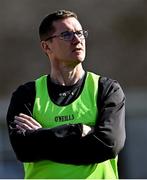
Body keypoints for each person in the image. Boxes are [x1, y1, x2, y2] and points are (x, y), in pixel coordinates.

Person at [7, 9, 126, 179]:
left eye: (80, 33)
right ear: (46, 46)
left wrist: (41, 136)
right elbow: (23, 150)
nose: (77, 40)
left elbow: (108, 145)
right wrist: (78, 130)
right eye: (66, 35)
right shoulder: (27, 95)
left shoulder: (106, 89)